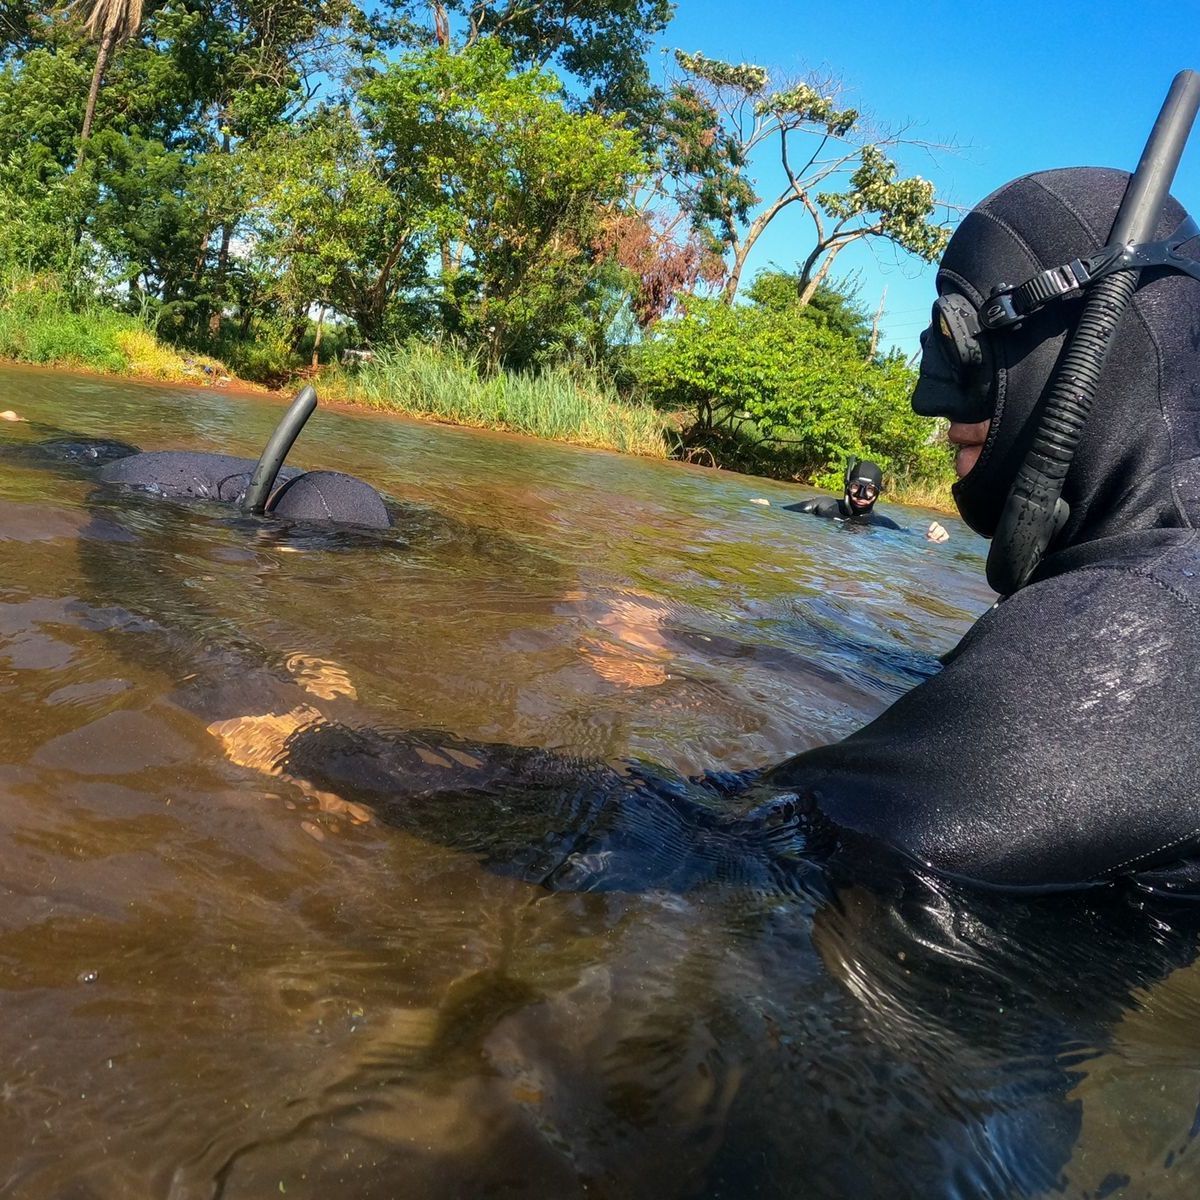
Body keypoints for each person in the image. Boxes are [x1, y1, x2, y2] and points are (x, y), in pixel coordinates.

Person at [784, 459, 950, 542]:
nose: (861, 495)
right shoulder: (822, 505)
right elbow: (782, 511)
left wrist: (932, 538)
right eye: (856, 486)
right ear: (848, 485)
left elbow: (910, 542)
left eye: (870, 490)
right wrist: (763, 505)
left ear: (878, 493)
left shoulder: (884, 524)